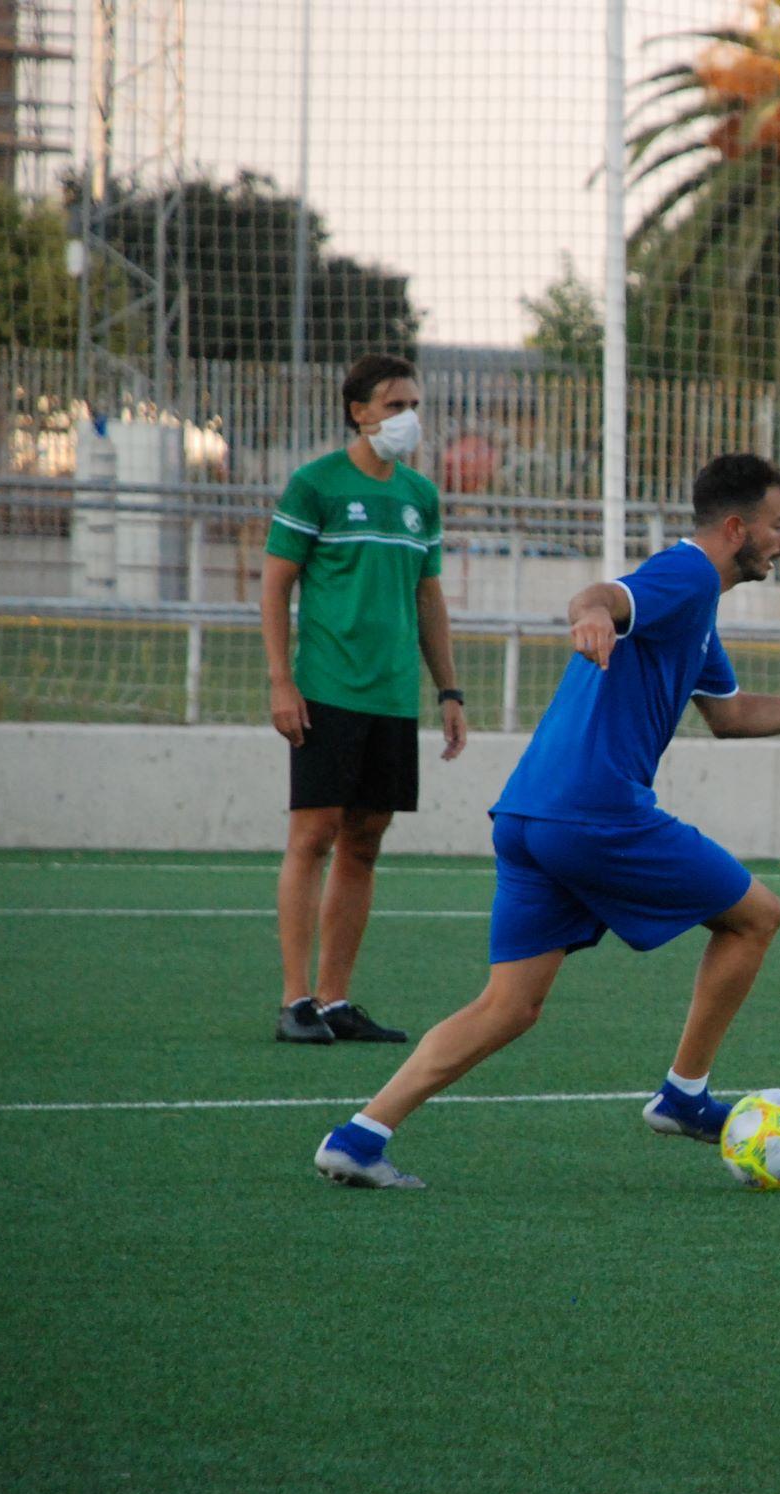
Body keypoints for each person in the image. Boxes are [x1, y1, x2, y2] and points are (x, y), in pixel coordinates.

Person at [310, 454, 780, 1189]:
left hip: (528, 814)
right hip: (595, 813)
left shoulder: (696, 609)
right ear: (736, 526)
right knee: (756, 917)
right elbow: (599, 596)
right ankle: (684, 1095)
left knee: (510, 1005)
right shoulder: (683, 575)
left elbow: (731, 715)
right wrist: (589, 616)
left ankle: (360, 1137)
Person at [261, 354, 468, 1047]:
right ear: (358, 411)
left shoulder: (420, 496)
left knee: (366, 843)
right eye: (394, 404)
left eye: (414, 404)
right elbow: (276, 585)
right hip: (327, 690)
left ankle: (336, 998)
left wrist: (448, 689)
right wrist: (281, 680)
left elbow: (428, 596)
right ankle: (295, 1002)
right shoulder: (315, 484)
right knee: (313, 836)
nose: (407, 417)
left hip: (391, 699)